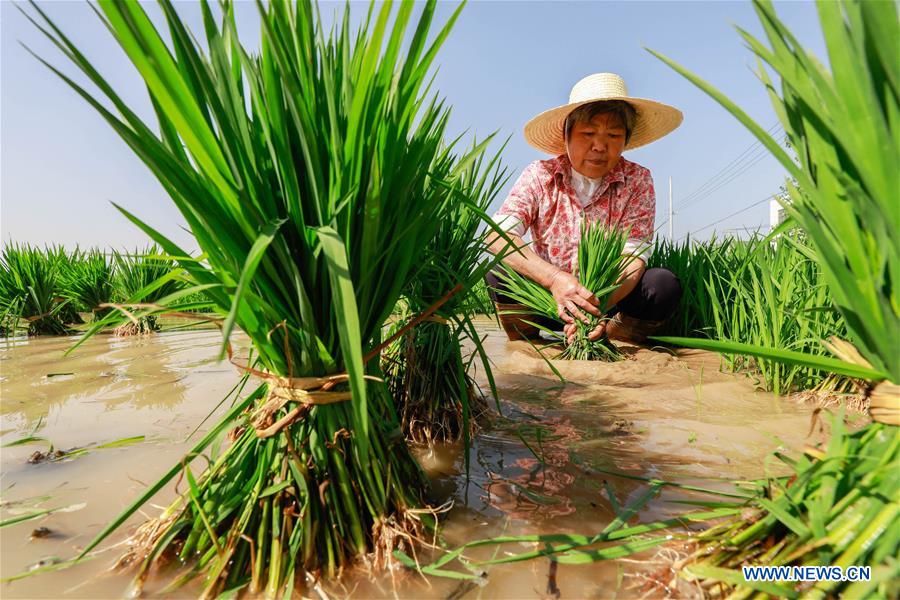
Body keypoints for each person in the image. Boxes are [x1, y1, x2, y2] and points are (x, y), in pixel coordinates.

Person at [486, 72, 683, 344]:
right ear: (566, 136)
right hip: (546, 297)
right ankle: (527, 345)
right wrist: (555, 280)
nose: (600, 146)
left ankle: (615, 338)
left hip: (608, 301)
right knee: (500, 274)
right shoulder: (540, 174)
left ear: (625, 140)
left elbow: (633, 258)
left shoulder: (637, 180)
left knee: (662, 285)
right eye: (588, 133)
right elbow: (497, 236)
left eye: (613, 135)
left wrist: (594, 308)